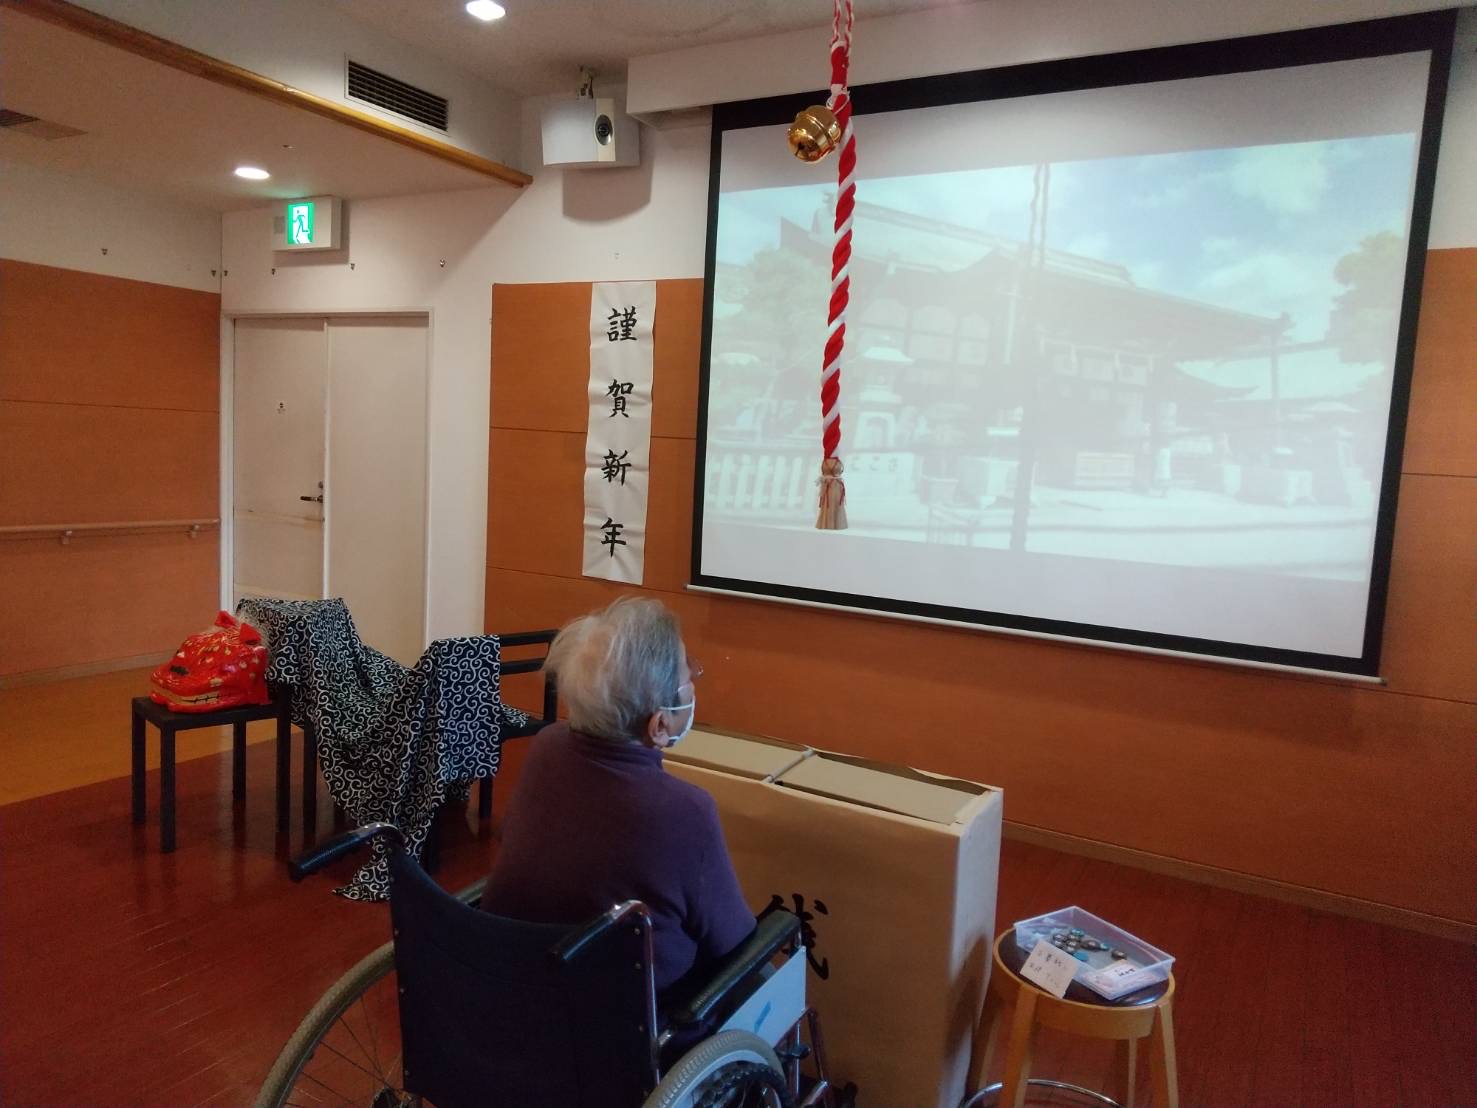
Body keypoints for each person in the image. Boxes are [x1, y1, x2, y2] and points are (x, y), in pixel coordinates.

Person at [481, 596, 756, 998]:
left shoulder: (545, 746)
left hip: (517, 987)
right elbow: (733, 940)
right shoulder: (685, 810)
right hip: (631, 1017)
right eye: (688, 675)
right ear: (659, 725)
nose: (694, 681)